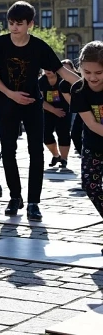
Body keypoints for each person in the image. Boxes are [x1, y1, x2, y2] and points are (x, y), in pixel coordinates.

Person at [0, 1, 80, 221]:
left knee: (36, 153)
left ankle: (33, 203)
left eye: (19, 23)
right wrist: (10, 94)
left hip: (33, 106)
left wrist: (87, 85)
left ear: (30, 24)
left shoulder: (39, 46)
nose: (14, 27)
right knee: (8, 152)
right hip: (7, 104)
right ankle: (15, 197)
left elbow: (62, 71)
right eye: (11, 23)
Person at [70, 41, 103, 254]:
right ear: (80, 67)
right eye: (87, 71)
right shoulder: (79, 90)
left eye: (99, 72)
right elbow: (90, 123)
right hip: (93, 145)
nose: (92, 77)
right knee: (90, 186)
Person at [39, 69, 71, 168]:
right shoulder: (41, 81)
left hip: (64, 111)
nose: (48, 71)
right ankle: (56, 155)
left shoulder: (63, 80)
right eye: (45, 69)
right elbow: (40, 99)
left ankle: (64, 159)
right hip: (48, 111)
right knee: (46, 134)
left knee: (63, 134)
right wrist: (53, 110)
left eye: (50, 68)